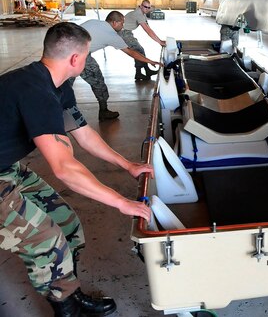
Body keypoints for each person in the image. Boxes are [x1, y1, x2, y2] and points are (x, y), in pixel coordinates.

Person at [0, 22, 153, 317]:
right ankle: (66, 311)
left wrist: (128, 165)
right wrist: (121, 202)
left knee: (66, 223)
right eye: (86, 55)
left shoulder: (56, 86)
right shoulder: (34, 90)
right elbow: (64, 168)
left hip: (7, 167)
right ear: (75, 59)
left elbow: (83, 134)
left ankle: (69, 292)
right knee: (45, 240)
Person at [77, 11, 162, 121]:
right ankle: (103, 111)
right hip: (80, 55)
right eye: (122, 23)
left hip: (63, 51)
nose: (123, 26)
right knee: (98, 82)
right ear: (114, 23)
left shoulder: (93, 22)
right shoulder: (111, 35)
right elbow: (131, 52)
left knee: (63, 85)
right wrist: (150, 61)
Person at [120, 0, 166, 81]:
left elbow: (149, 28)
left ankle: (145, 71)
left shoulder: (143, 14)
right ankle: (140, 73)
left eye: (149, 7)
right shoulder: (139, 14)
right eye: (145, 7)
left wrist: (159, 40)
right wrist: (160, 42)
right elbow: (148, 31)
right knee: (138, 50)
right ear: (141, 6)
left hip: (127, 32)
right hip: (123, 32)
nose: (147, 9)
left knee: (139, 50)